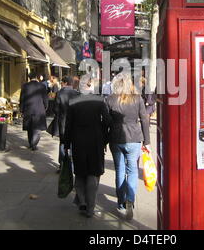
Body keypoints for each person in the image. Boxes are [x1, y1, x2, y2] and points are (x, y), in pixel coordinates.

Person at [105, 72, 151, 220]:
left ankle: (120, 202)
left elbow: (105, 122)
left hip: (116, 138)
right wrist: (147, 142)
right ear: (130, 84)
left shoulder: (109, 99)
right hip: (134, 138)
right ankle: (130, 199)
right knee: (132, 171)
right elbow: (145, 119)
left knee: (119, 170)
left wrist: (105, 140)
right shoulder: (137, 99)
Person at [64, 79, 111, 218]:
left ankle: (82, 201)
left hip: (78, 141)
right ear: (91, 87)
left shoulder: (73, 102)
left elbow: (69, 125)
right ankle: (90, 208)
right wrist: (104, 138)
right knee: (93, 173)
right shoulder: (99, 101)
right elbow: (108, 121)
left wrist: (66, 144)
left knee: (80, 172)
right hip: (95, 142)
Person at [54, 76, 79, 171]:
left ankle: (63, 165)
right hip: (75, 122)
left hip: (63, 122)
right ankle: (72, 165)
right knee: (73, 142)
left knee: (63, 142)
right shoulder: (77, 94)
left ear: (64, 83)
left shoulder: (59, 93)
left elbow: (55, 109)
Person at [19, 71, 48, 151]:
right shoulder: (42, 86)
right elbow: (45, 98)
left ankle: (31, 143)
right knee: (37, 128)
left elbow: (22, 99)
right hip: (39, 109)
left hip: (28, 109)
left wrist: (21, 109)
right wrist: (46, 106)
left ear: (29, 78)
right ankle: (33, 144)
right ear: (37, 77)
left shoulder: (25, 86)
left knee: (29, 127)